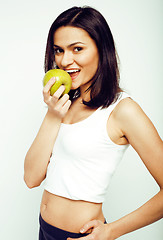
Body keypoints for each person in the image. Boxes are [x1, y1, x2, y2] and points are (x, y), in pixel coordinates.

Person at [24, 6, 163, 240]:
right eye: (59, 50)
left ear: (101, 49)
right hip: (44, 230)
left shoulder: (123, 109)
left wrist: (111, 231)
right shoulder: (64, 102)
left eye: (77, 49)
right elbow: (31, 178)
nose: (65, 60)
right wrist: (52, 114)